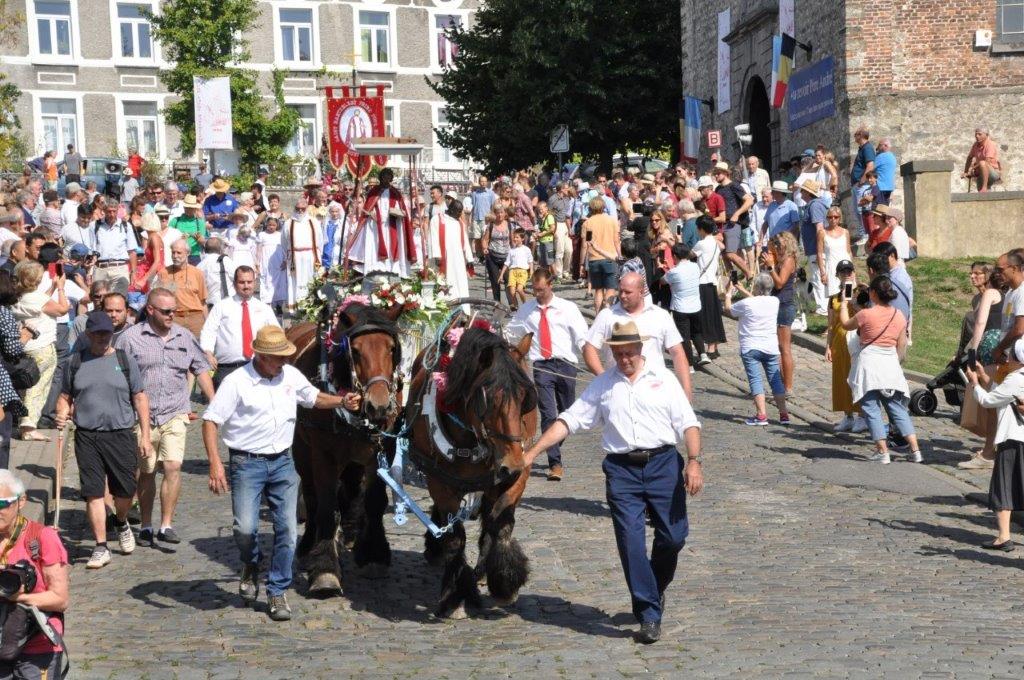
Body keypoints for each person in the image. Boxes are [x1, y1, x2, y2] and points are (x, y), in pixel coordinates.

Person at [522, 320, 703, 644]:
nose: (624, 359)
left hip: (663, 465)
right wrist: (533, 451)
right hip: (622, 472)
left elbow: (688, 423)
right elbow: (569, 420)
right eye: (618, 354)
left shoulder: (664, 379)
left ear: (640, 349)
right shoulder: (604, 384)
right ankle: (648, 613)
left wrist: (693, 461)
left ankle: (654, 587)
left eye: (629, 353)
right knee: (630, 542)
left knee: (673, 538)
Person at [202, 325, 360, 621]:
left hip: (283, 464)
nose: (283, 361)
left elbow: (313, 397)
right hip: (246, 464)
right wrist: (214, 463)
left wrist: (341, 401)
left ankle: (277, 590)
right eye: (277, 357)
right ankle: (250, 564)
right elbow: (210, 421)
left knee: (287, 530)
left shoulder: (290, 375)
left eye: (285, 356)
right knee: (245, 530)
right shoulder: (237, 381)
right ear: (260, 356)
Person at [117, 288, 215, 547]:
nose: (172, 315)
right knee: (147, 471)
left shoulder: (184, 336)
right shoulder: (130, 339)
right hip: (143, 417)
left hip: (175, 411)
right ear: (150, 310)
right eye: (166, 311)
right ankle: (147, 524)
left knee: (172, 466)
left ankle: (166, 524)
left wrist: (215, 403)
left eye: (175, 310)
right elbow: (117, 374)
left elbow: (201, 368)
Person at [56, 310, 152, 568]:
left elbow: (140, 397)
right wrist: (61, 413)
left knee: (125, 491)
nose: (102, 337)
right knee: (93, 492)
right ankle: (100, 546)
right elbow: (65, 396)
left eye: (106, 333)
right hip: (87, 436)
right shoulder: (75, 362)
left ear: (112, 333)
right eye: (97, 333)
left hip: (121, 434)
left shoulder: (124, 359)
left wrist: (145, 435)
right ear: (88, 334)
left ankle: (120, 522)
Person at [512, 269, 588, 481]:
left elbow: (582, 337)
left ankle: (550, 442)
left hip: (566, 365)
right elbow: (513, 332)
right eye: (535, 290)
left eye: (541, 290)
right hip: (542, 366)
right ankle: (555, 463)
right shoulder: (526, 310)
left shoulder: (568, 308)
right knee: (548, 414)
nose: (537, 294)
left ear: (550, 285)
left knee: (568, 413)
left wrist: (590, 361)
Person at [839, 275, 923, 465]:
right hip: (890, 364)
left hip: (870, 364)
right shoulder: (898, 315)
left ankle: (882, 451)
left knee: (871, 409)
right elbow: (901, 345)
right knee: (897, 409)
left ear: (873, 293)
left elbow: (845, 324)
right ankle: (916, 450)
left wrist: (845, 303)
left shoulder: (865, 314)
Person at [0, 469, 70, 679]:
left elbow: (60, 599)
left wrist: (17, 597)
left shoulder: (41, 538)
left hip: (37, 647)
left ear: (21, 501)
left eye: (2, 503)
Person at [584, 272, 693, 399]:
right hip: (618, 390)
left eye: (628, 292)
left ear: (641, 292)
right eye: (620, 291)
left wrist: (687, 391)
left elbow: (677, 353)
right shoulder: (607, 315)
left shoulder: (660, 315)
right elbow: (589, 348)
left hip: (655, 390)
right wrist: (604, 378)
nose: (622, 296)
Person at [965, 340, 1024, 550]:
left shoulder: (1016, 379)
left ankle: (1004, 537)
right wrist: (982, 375)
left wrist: (973, 383)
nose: (1007, 358)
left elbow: (989, 401)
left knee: (1003, 487)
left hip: (1013, 439)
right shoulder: (1015, 379)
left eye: (1011, 356)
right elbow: (1002, 394)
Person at [723, 273, 791, 425]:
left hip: (751, 347)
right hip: (771, 347)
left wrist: (728, 293)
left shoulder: (746, 304)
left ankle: (761, 415)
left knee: (756, 380)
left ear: (758, 288)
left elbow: (728, 309)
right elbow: (759, 300)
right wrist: (742, 289)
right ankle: (784, 414)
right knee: (776, 381)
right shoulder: (775, 301)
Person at [12, 261, 67, 441]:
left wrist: (51, 288)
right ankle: (28, 426)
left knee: (28, 386)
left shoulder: (18, 296)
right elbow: (62, 309)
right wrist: (60, 289)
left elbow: (40, 304)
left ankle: (24, 423)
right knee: (38, 388)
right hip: (42, 347)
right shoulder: (37, 298)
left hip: (26, 347)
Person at [201, 266, 280, 390]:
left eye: (249, 282)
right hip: (227, 368)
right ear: (234, 284)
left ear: (255, 282)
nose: (246, 286)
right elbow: (209, 331)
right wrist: (208, 352)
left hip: (257, 367)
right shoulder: (221, 307)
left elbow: (276, 334)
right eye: (242, 282)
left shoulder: (265, 309)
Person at [959, 261, 1005, 470]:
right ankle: (992, 447)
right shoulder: (1010, 294)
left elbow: (980, 323)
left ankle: (989, 452)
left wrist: (972, 351)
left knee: (991, 400)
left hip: (990, 348)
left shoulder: (991, 294)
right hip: (1005, 349)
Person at [345, 168, 415, 278]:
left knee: (392, 244)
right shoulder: (374, 192)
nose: (386, 178)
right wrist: (371, 212)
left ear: (391, 178)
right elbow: (368, 206)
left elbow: (401, 207)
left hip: (392, 223)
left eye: (388, 176)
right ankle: (375, 268)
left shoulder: (395, 192)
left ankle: (392, 268)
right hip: (375, 224)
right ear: (381, 177)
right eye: (384, 176)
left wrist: (396, 211)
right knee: (375, 243)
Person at [826, 260, 868, 433]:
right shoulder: (834, 298)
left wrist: (852, 302)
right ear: (837, 275)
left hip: (856, 343)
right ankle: (847, 415)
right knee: (841, 380)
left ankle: (862, 416)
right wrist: (828, 346)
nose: (846, 275)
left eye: (849, 271)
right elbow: (830, 324)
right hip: (839, 343)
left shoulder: (862, 292)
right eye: (842, 272)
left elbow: (867, 315)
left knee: (857, 380)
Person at [663, 243, 707, 366]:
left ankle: (689, 364)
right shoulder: (695, 267)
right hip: (696, 306)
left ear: (675, 256)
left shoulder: (674, 272)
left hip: (680, 308)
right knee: (697, 332)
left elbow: (663, 281)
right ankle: (702, 354)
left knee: (684, 337)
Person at [0, 272, 27, 468]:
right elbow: (12, 350)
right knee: (2, 437)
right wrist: (25, 336)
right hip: (1, 384)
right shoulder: (4, 313)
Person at [156, 240, 208, 338]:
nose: (175, 256)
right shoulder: (163, 273)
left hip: (195, 318)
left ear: (188, 253)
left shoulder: (197, 273)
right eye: (173, 252)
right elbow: (158, 300)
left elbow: (203, 302)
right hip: (174, 318)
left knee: (197, 350)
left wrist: (207, 324)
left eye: (179, 253)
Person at [711, 162, 753, 281]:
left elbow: (749, 201)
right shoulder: (718, 189)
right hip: (721, 224)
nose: (716, 175)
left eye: (718, 173)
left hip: (733, 223)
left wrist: (736, 214)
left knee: (730, 253)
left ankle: (749, 274)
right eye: (715, 173)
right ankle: (734, 281)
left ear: (725, 173)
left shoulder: (734, 186)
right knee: (724, 255)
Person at [89, 201, 140, 295]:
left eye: (114, 211)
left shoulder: (126, 226)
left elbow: (132, 251)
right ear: (103, 211)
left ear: (117, 211)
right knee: (100, 301)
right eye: (109, 211)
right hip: (101, 269)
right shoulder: (94, 225)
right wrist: (89, 272)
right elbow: (92, 250)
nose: (112, 214)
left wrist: (133, 272)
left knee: (119, 299)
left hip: (119, 268)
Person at [282, 196, 322, 314]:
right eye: (298, 208)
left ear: (306, 208)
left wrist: (317, 256)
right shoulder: (288, 223)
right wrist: (289, 256)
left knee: (311, 280)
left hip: (311, 256)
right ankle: (296, 309)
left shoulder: (313, 221)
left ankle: (312, 307)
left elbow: (320, 240)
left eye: (303, 209)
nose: (300, 211)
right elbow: (284, 242)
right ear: (294, 208)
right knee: (296, 281)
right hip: (295, 258)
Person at [692, 216, 725, 358]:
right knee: (714, 315)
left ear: (701, 229)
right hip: (713, 282)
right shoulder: (716, 242)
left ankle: (710, 348)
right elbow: (722, 247)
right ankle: (714, 346)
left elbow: (688, 255)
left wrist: (675, 241)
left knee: (706, 317)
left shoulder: (702, 243)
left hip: (703, 282)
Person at [582, 196, 621, 312]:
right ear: (603, 206)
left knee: (598, 290)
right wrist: (620, 256)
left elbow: (586, 244)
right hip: (610, 258)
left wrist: (582, 263)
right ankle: (607, 312)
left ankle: (598, 316)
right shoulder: (612, 221)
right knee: (610, 288)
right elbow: (616, 241)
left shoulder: (588, 223)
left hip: (594, 259)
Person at [798, 179, 830, 316]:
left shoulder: (815, 206)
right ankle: (823, 306)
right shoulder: (814, 204)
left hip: (816, 248)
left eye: (802, 190)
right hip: (813, 248)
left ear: (807, 192)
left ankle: (822, 308)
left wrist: (819, 250)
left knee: (818, 277)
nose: (800, 193)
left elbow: (819, 228)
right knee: (817, 277)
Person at [480, 205, 512, 304]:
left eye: (501, 212)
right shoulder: (491, 225)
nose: (499, 215)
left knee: (508, 281)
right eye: (497, 212)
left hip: (506, 257)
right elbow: (485, 240)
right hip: (492, 256)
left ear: (505, 213)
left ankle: (511, 304)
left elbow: (512, 240)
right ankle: (497, 304)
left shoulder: (509, 224)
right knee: (495, 281)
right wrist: (485, 248)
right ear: (495, 214)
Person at [819, 206, 853, 298]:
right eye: (830, 217)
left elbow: (849, 252)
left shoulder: (846, 232)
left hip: (846, 267)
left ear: (840, 218)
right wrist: (822, 273)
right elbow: (819, 253)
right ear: (827, 218)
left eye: (835, 217)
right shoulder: (822, 233)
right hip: (831, 268)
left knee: (848, 295)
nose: (833, 219)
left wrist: (853, 270)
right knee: (834, 298)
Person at [256, 217, 287, 315]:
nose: (271, 227)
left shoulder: (280, 235)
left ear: (277, 225)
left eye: (273, 225)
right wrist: (257, 263)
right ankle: (267, 305)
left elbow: (285, 249)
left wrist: (285, 260)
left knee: (279, 283)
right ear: (266, 225)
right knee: (266, 282)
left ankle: (278, 305)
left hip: (278, 261)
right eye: (269, 225)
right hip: (265, 262)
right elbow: (258, 250)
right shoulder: (262, 235)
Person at [499, 229, 533, 309]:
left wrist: (531, 270)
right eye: (514, 237)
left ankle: (525, 305)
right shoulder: (511, 251)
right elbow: (506, 263)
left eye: (517, 237)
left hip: (522, 271)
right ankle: (516, 308)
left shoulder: (526, 249)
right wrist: (501, 275)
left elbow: (530, 261)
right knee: (512, 292)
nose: (515, 239)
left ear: (522, 239)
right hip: (512, 272)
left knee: (520, 289)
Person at [961, 126, 1002, 192]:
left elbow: (986, 162)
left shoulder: (990, 144)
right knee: (982, 196)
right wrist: (965, 172)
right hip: (981, 173)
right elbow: (969, 158)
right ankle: (985, 189)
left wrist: (972, 168)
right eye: (976, 134)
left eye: (979, 134)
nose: (977, 136)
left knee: (982, 163)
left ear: (986, 135)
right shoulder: (975, 145)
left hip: (993, 173)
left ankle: (984, 187)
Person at [170, 194, 207, 265]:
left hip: (194, 255)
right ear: (184, 207)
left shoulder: (199, 222)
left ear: (195, 208)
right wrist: (180, 238)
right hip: (178, 254)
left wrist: (199, 239)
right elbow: (169, 236)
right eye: (187, 207)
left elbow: (202, 242)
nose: (189, 209)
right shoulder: (176, 220)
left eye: (191, 207)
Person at [873, 139, 897, 204]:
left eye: (879, 146)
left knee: (877, 210)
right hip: (889, 187)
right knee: (884, 209)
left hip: (880, 187)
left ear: (885, 146)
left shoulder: (881, 157)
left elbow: (871, 168)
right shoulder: (892, 157)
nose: (878, 148)